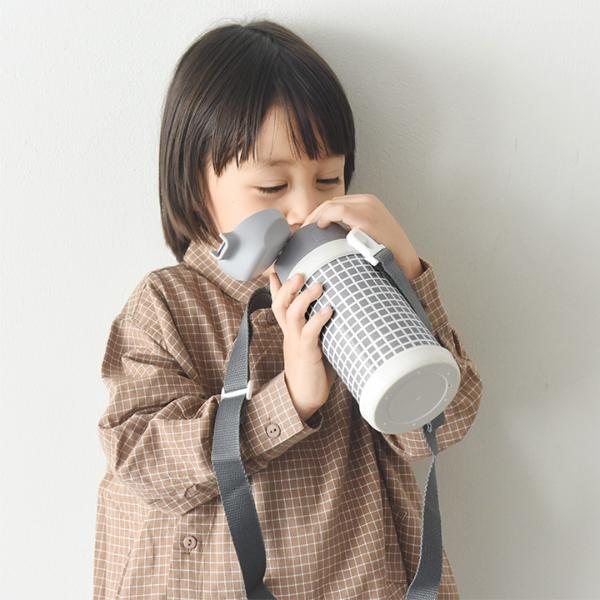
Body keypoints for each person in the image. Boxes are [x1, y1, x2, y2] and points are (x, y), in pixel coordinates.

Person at [93, 19, 483, 600]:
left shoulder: (360, 290)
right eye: (272, 188)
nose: (305, 208)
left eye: (328, 179)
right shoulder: (169, 303)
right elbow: (144, 462)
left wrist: (405, 272)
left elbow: (439, 426)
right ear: (196, 187)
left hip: (358, 575)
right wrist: (289, 400)